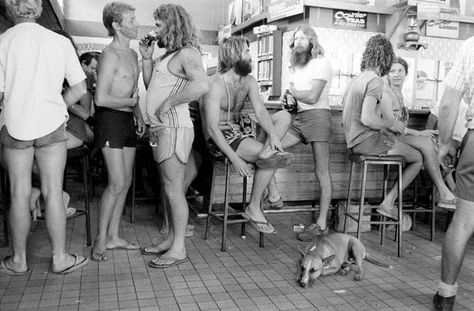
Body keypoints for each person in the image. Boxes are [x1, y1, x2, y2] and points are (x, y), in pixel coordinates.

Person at [0, 0, 89, 275]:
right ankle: (60, 257)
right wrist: (59, 104)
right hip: (52, 125)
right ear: (37, 7)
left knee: (18, 192)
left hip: (14, 124)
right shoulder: (57, 41)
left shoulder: (2, 42)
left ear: (8, 8)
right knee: (53, 191)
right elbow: (80, 87)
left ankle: (18, 260)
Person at [138, 4, 209, 268]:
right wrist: (146, 58)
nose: (154, 29)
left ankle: (178, 248)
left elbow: (202, 84)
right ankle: (170, 239)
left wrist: (169, 103)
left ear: (172, 24)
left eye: (158, 24)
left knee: (174, 188)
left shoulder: (188, 53)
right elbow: (151, 87)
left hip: (175, 127)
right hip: (163, 128)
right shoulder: (170, 55)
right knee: (168, 187)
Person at [202, 36, 294, 234]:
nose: (250, 56)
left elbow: (261, 112)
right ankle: (256, 205)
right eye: (246, 51)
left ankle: (266, 154)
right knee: (274, 158)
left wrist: (274, 136)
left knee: (284, 116)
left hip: (241, 131)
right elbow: (211, 128)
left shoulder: (249, 81)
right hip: (221, 137)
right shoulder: (214, 84)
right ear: (234, 55)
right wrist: (235, 159)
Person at [342, 34, 423, 221]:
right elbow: (368, 118)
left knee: (406, 148)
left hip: (353, 142)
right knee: (418, 158)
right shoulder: (375, 80)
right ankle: (388, 202)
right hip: (368, 142)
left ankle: (388, 203)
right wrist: (391, 123)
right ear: (387, 58)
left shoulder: (357, 79)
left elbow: (346, 119)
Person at [265, 25, 334, 241]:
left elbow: (313, 97)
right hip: (300, 118)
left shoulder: (322, 63)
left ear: (312, 41)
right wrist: (288, 99)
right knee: (269, 150)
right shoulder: (296, 66)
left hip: (319, 117)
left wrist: (292, 92)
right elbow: (296, 102)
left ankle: (321, 224)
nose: (299, 41)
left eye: (304, 38)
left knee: (321, 172)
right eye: (296, 38)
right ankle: (274, 194)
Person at [91, 2, 146, 262]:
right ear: (116, 25)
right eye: (131, 20)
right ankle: (100, 241)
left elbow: (132, 93)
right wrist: (130, 105)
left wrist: (138, 115)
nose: (136, 24)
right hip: (109, 120)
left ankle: (113, 237)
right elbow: (100, 99)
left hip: (126, 121)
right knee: (115, 182)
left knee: (125, 182)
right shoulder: (109, 55)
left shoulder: (133, 55)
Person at [379, 57, 456, 210]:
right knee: (425, 142)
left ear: (406, 73)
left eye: (400, 70)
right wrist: (419, 133)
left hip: (397, 137)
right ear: (387, 74)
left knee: (424, 150)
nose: (396, 74)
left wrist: (420, 134)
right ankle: (443, 191)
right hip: (385, 138)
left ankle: (388, 202)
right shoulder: (386, 93)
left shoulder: (398, 93)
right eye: (392, 71)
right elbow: (392, 126)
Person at [434, 36, 474, 311]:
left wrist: (445, 143)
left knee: (463, 221)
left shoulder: (471, 45)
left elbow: (448, 103)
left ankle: (446, 295)